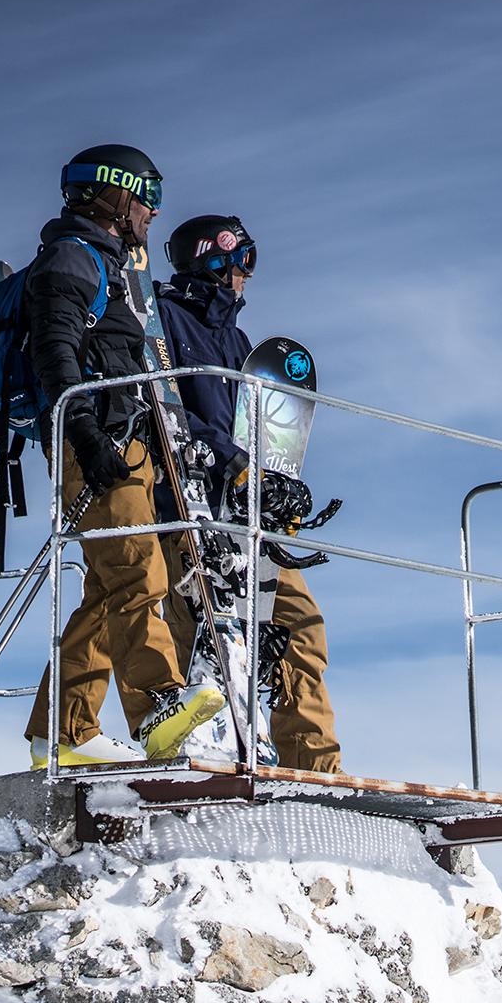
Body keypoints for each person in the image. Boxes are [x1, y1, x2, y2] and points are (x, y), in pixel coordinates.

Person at [21, 144, 225, 768]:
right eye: (148, 196)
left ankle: (64, 731)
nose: (154, 211)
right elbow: (54, 348)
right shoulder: (72, 258)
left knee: (107, 587)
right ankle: (158, 707)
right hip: (96, 442)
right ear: (111, 194)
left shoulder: (103, 263)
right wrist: (84, 433)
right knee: (138, 571)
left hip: (120, 439)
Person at [132, 214, 344, 773]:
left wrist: (276, 483)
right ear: (212, 260)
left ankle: (315, 767)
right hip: (188, 507)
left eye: (251, 259)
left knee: (299, 625)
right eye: (241, 259)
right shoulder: (162, 320)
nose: (247, 273)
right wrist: (234, 462)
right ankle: (191, 753)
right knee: (198, 631)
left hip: (246, 516)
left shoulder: (237, 339)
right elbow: (166, 411)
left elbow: (256, 427)